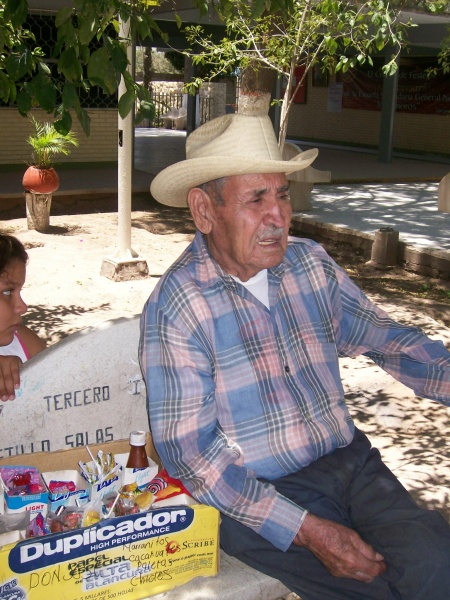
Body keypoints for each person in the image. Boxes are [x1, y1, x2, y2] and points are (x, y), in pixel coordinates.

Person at [140, 113, 450, 599]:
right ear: (204, 210)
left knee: (436, 564)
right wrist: (305, 528)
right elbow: (193, 456)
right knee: (376, 591)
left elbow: (383, 337)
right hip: (259, 495)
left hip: (350, 463)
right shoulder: (180, 306)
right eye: (256, 199)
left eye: (282, 194)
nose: (278, 216)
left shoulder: (309, 263)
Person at [0, 234, 46, 401]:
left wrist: (28, 377)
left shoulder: (27, 343)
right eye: (7, 292)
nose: (23, 307)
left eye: (20, 291)